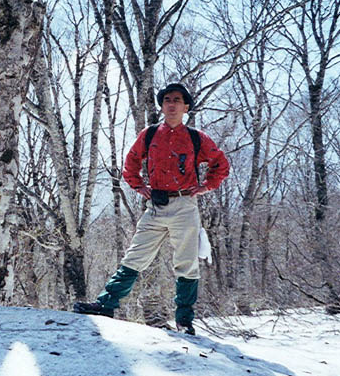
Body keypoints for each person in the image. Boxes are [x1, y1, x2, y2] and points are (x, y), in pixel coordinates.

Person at [73, 83, 229, 335]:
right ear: (162, 105)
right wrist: (140, 187)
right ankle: (105, 304)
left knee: (186, 263)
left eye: (177, 99)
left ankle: (184, 320)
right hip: (156, 205)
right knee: (135, 256)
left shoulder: (196, 138)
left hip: (184, 204)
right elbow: (131, 162)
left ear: (185, 107)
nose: (171, 103)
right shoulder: (150, 134)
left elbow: (220, 164)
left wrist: (205, 187)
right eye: (167, 99)